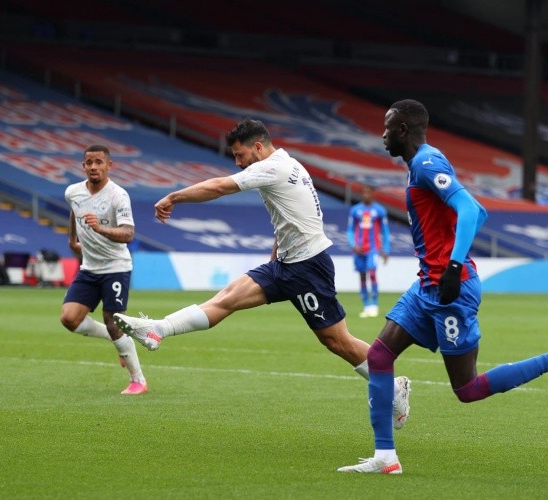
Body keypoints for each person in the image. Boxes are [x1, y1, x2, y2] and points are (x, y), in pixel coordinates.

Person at [338, 99, 548, 475]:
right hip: (427, 286)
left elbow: (472, 209)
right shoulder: (422, 164)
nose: (382, 134)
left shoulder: (425, 163)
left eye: (387, 127)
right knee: (381, 357)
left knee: (467, 389)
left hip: (452, 288)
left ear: (402, 129)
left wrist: (452, 266)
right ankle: (385, 458)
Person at [113, 119, 411, 422]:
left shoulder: (273, 167)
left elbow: (219, 186)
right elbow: (288, 216)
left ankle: (394, 387)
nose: (238, 162)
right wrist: (275, 255)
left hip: (308, 267)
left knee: (337, 341)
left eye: (240, 155)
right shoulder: (287, 164)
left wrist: (173, 196)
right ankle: (158, 330)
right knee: (227, 298)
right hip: (285, 264)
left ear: (258, 146)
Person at [59, 144, 147, 395]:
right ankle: (116, 338)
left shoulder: (118, 195)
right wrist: (72, 239)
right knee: (69, 319)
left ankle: (138, 380)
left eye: (99, 162)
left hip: (116, 267)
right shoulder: (73, 192)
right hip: (89, 267)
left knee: (113, 320)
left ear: (110, 165)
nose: (94, 167)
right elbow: (75, 211)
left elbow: (128, 233)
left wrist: (101, 229)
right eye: (89, 162)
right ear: (83, 166)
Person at [346, 184, 390, 318]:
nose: (366, 195)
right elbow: (350, 229)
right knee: (362, 276)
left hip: (373, 249)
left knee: (372, 272)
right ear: (361, 194)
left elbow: (385, 231)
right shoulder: (355, 210)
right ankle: (366, 306)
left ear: (372, 193)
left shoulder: (380, 210)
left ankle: (374, 305)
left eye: (368, 192)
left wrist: (385, 250)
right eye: (363, 192)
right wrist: (353, 244)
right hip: (359, 249)